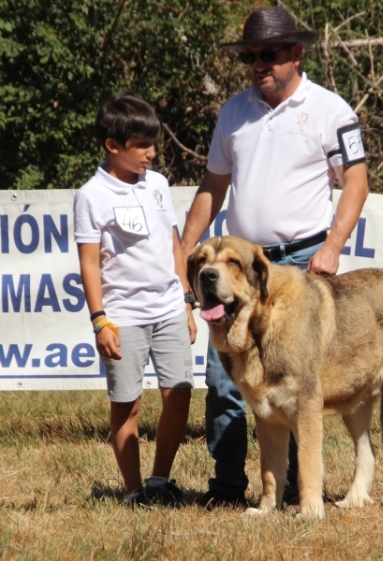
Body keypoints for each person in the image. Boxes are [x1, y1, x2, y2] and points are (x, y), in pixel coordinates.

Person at [180, 6, 369, 509]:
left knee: (295, 386)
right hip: (238, 266)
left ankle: (290, 492)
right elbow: (213, 186)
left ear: (297, 54)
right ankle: (226, 490)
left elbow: (356, 180)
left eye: (270, 55)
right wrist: (183, 250)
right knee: (226, 384)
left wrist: (331, 248)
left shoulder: (331, 109)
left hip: (301, 266)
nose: (259, 64)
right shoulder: (233, 113)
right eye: (251, 57)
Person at [73, 93, 197, 508]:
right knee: (127, 406)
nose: (152, 153)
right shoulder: (91, 195)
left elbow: (175, 246)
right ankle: (134, 492)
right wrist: (100, 321)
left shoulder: (158, 184)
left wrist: (186, 301)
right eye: (142, 145)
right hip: (123, 316)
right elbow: (89, 263)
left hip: (169, 309)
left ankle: (160, 482)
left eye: (153, 143)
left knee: (179, 393)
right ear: (113, 146)